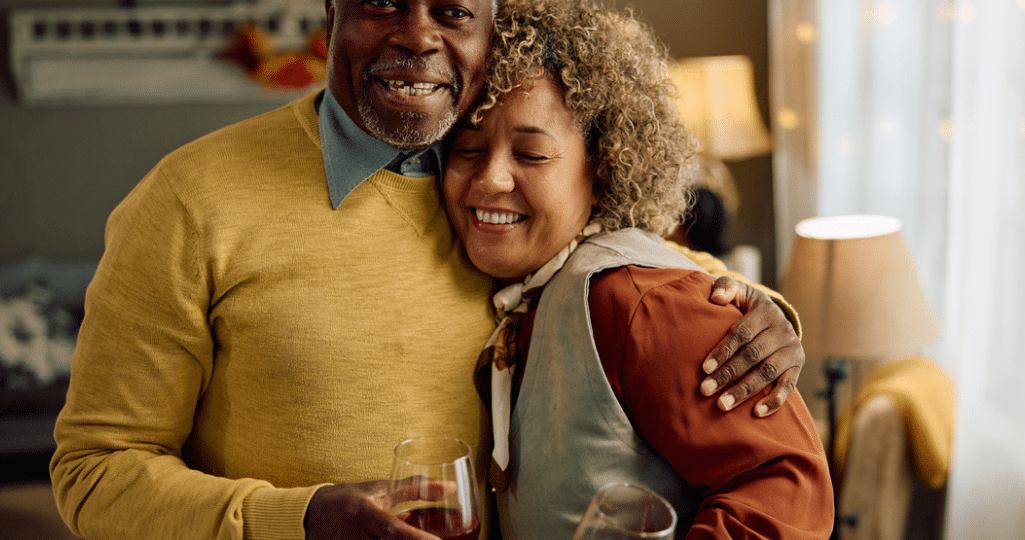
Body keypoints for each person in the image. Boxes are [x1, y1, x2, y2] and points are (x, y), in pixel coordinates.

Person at [49, 1, 806, 540]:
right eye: (382, 1)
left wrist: (766, 313)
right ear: (330, 12)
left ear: (486, 29)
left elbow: (649, 276)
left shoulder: (495, 189)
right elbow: (94, 472)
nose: (417, 34)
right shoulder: (190, 199)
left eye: (452, 10)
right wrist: (301, 519)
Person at [443, 1, 835, 538]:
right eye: (467, 147)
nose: (490, 180)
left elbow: (785, 488)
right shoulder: (529, 287)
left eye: (532, 155)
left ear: (603, 168)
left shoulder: (631, 298)